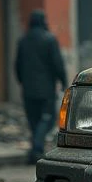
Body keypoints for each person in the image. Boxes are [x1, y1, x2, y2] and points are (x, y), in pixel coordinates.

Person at [15, 9, 68, 163]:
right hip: (46, 90)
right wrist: (63, 81)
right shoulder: (49, 40)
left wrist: (22, 81)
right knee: (48, 119)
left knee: (34, 120)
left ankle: (35, 147)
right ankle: (36, 149)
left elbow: (17, 65)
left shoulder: (23, 41)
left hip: (28, 89)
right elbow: (57, 64)